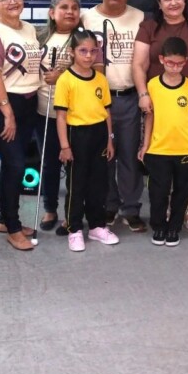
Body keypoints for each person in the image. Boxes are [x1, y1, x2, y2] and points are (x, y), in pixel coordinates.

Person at [133, 0, 188, 231]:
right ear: (159, 3)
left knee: (186, 161)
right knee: (159, 160)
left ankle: (184, 209)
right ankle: (163, 207)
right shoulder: (149, 27)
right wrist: (143, 94)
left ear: (185, 0)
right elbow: (139, 64)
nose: (173, 3)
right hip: (157, 104)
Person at [82, 0, 148, 232]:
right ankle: (108, 205)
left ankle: (131, 208)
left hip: (129, 97)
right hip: (97, 99)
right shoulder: (87, 18)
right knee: (104, 156)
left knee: (130, 156)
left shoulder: (140, 17)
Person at [0, 0, 42, 251]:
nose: (13, 1)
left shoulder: (29, 29)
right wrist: (7, 112)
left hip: (29, 103)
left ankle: (5, 219)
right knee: (16, 164)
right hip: (3, 105)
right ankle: (14, 228)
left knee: (12, 164)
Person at [138, 37, 188, 247]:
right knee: (158, 192)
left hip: (187, 149)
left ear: (186, 62)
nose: (175, 67)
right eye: (170, 63)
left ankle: (174, 228)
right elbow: (149, 117)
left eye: (179, 64)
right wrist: (145, 145)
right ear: (162, 59)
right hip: (159, 150)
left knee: (182, 192)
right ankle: (159, 226)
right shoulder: (152, 85)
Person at [55, 29, 119, 252]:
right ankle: (74, 229)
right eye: (83, 51)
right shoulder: (65, 80)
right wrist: (65, 146)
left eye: (93, 51)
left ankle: (96, 226)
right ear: (72, 52)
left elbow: (106, 111)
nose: (89, 56)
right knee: (77, 185)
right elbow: (61, 117)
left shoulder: (100, 79)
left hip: (99, 134)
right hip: (77, 135)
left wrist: (109, 140)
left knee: (98, 184)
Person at [36, 0, 79, 233]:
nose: (70, 12)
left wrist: (62, 76)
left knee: (75, 167)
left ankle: (72, 213)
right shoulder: (39, 37)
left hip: (75, 115)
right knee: (49, 164)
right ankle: (50, 208)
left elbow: (92, 71)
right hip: (44, 111)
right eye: (64, 7)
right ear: (52, 13)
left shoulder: (82, 38)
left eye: (75, 7)